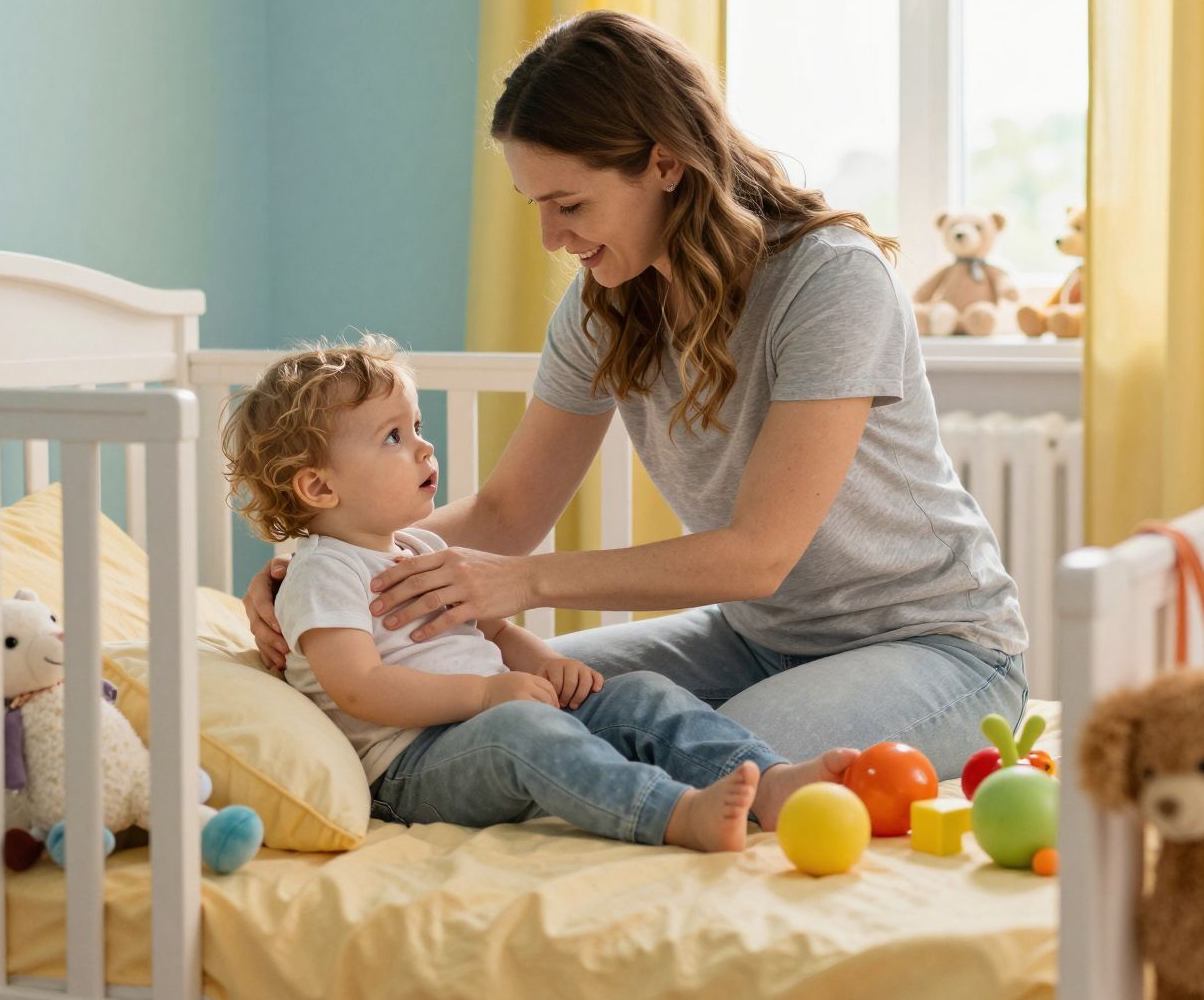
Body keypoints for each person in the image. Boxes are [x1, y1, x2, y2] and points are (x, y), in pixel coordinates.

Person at [245, 10, 1027, 775]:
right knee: (526, 707)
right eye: (537, 206)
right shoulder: (603, 304)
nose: (552, 238)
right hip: (753, 636)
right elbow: (507, 514)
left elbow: (759, 556)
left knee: (725, 764)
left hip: (933, 643)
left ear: (665, 164)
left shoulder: (830, 280)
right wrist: (325, 562)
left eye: (570, 205)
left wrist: (526, 581)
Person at [222, 338, 855, 852]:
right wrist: (483, 694)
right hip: (414, 764)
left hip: (489, 719)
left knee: (637, 693)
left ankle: (770, 781)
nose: (424, 446)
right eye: (393, 437)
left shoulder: (417, 547)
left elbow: (494, 631)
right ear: (319, 487)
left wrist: (546, 663)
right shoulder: (322, 574)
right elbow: (359, 688)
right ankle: (672, 813)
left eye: (416, 426)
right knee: (524, 732)